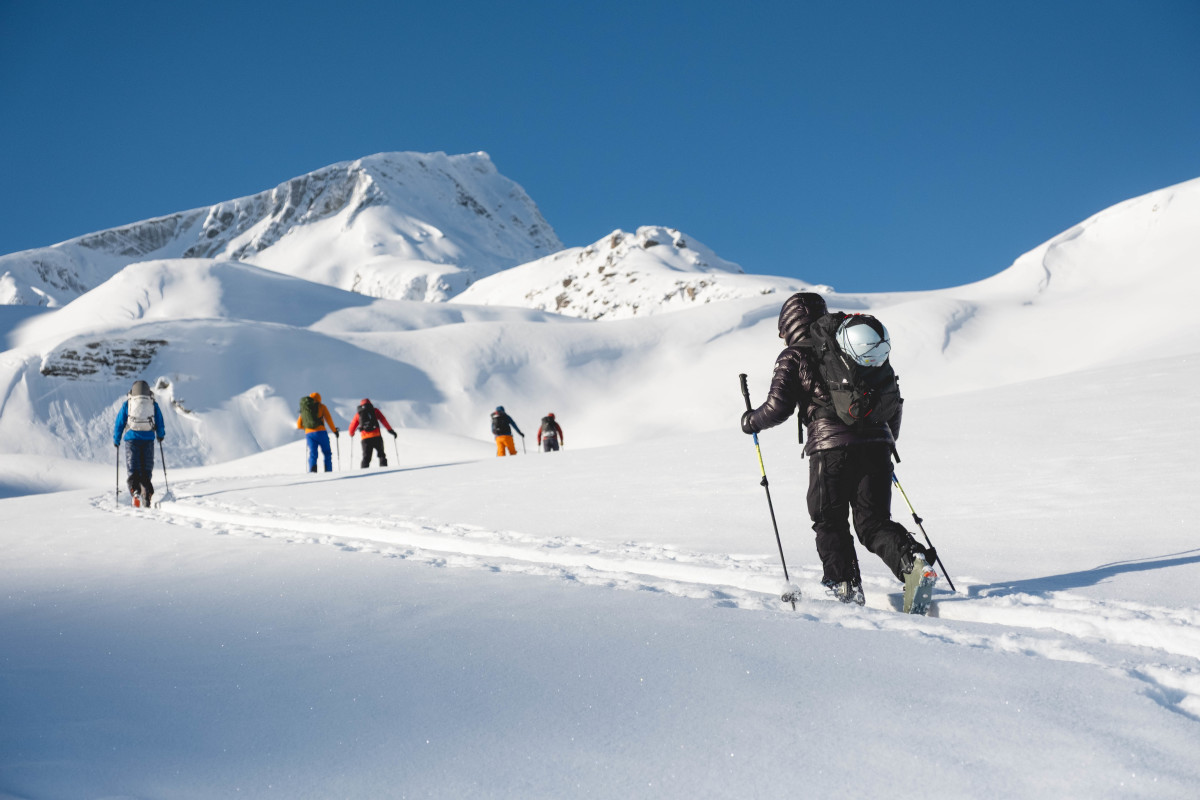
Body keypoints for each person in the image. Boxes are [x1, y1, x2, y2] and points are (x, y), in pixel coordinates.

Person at [740, 292, 935, 605]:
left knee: (829, 520)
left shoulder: (794, 355)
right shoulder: (854, 348)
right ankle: (914, 565)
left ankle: (845, 588)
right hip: (877, 447)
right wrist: (885, 443)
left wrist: (750, 421)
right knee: (873, 523)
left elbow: (778, 407)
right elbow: (892, 403)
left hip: (830, 449)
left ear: (789, 324)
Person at [113, 379, 166, 507]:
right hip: (148, 439)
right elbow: (159, 420)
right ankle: (146, 492)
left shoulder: (129, 403)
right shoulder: (153, 403)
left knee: (133, 470)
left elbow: (119, 422)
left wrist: (116, 439)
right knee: (146, 470)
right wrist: (160, 435)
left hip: (131, 439)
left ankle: (135, 492)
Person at [297, 392, 340, 473]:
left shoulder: (305, 409)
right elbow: (329, 420)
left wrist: (308, 429)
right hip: (321, 432)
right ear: (319, 399)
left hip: (309, 434)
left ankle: (312, 472)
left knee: (313, 454)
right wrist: (334, 431)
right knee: (327, 453)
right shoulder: (321, 406)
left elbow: (299, 425)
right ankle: (328, 471)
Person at [349, 398, 397, 468]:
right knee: (381, 455)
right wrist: (390, 430)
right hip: (377, 436)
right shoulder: (375, 411)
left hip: (365, 438)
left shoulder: (358, 414)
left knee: (366, 458)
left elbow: (352, 426)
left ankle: (363, 475)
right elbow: (383, 420)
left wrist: (351, 433)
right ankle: (385, 471)